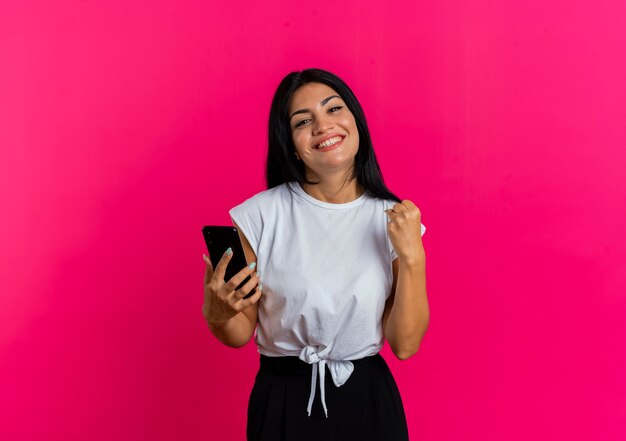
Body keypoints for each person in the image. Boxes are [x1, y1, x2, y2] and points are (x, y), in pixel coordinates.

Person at [202, 68, 429, 441]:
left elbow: (404, 345)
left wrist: (412, 257)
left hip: (367, 400)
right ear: (291, 143)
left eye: (334, 109)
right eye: (303, 121)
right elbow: (238, 333)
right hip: (284, 398)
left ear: (355, 120)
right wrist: (217, 311)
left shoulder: (394, 219)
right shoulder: (258, 217)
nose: (323, 126)